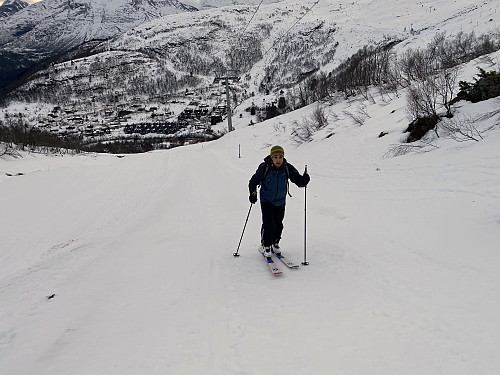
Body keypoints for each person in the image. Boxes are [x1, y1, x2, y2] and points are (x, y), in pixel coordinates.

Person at [248, 145, 310, 259]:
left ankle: (275, 243)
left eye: (280, 157)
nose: (278, 159)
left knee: (279, 225)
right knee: (269, 224)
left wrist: (304, 180)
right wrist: (253, 193)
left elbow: (298, 181)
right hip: (266, 200)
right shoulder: (264, 168)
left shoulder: (287, 168)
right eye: (275, 157)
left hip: (281, 201)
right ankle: (266, 245)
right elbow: (253, 181)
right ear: (271, 158)